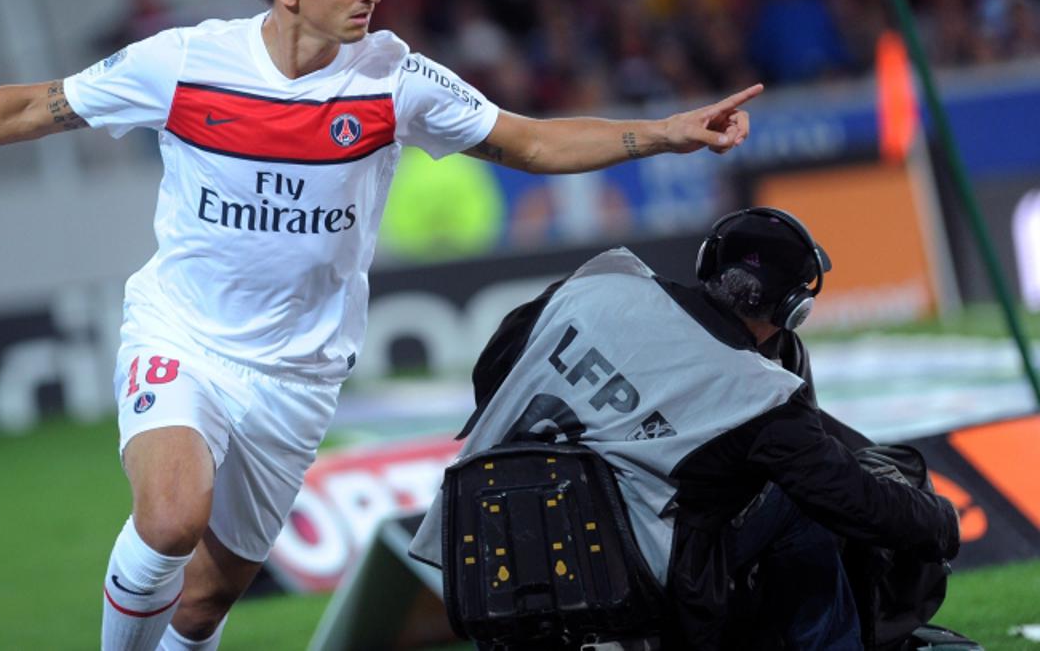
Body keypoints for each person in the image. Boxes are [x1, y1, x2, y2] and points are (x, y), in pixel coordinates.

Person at [0, 0, 761, 651]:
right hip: (184, 332)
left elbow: (527, 140)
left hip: (297, 375)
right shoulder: (185, 64)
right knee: (170, 517)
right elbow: (32, 109)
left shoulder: (394, 78)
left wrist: (664, 132)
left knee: (210, 597)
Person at [409, 207, 962, 650]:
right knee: (801, 502)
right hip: (627, 578)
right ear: (793, 310)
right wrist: (940, 522)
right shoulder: (757, 392)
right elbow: (851, 499)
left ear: (709, 266)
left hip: (489, 551)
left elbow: (492, 371)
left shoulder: (603, 279)